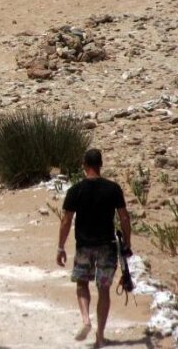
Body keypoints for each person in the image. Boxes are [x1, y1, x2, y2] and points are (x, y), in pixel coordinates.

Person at [56, 148, 132, 349]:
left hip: (84, 246)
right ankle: (100, 335)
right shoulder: (113, 189)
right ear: (100, 165)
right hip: (107, 245)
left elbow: (66, 221)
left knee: (82, 283)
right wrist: (128, 242)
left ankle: (85, 320)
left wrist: (60, 247)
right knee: (104, 289)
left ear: (84, 165)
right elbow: (124, 217)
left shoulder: (76, 190)